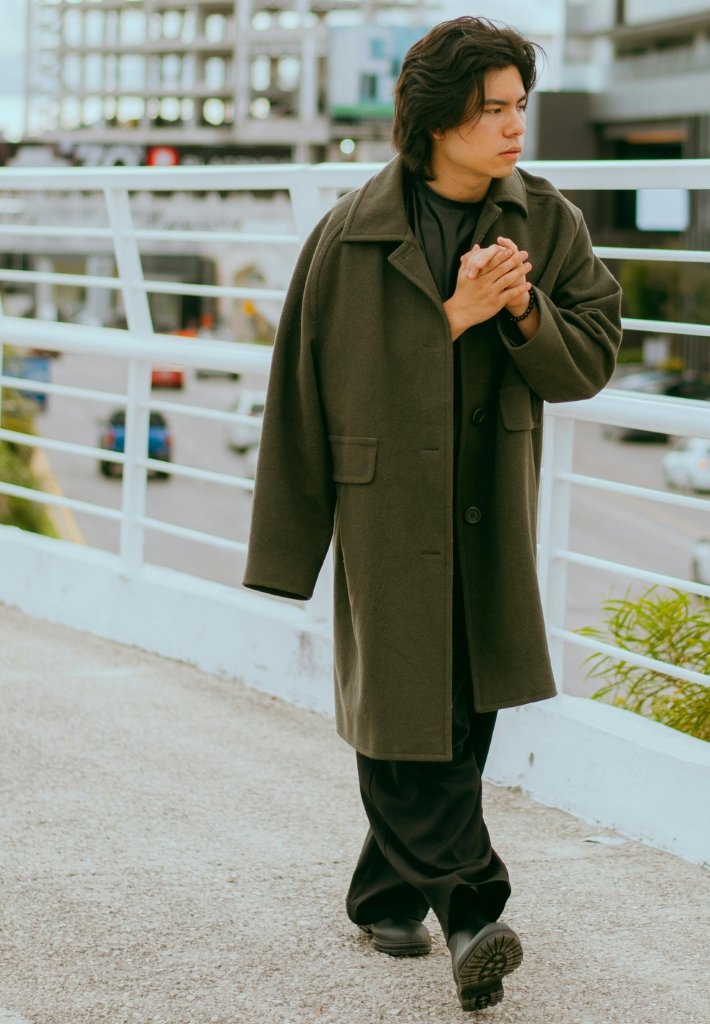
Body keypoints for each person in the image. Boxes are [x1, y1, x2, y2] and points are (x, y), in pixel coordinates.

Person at [243, 16, 622, 1012]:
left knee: (463, 709)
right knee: (401, 710)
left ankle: (383, 895)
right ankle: (471, 914)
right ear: (437, 119)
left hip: (488, 501)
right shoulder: (352, 232)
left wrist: (524, 311)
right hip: (387, 509)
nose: (514, 126)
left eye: (520, 106)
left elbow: (590, 358)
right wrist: (450, 319)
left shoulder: (548, 223)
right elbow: (314, 389)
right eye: (492, 109)